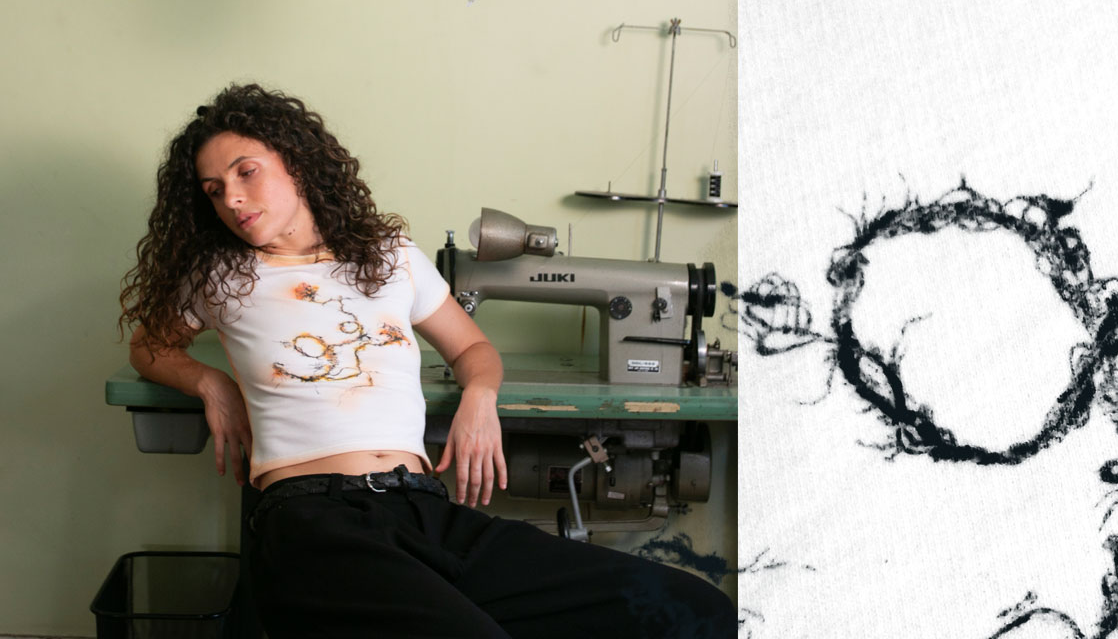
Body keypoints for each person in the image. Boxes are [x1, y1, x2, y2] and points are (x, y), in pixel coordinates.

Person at [119, 83, 735, 638]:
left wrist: (479, 398)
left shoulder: (389, 257)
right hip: (310, 519)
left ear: (297, 162)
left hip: (426, 510)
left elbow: (472, 348)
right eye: (214, 189)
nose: (231, 198)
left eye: (245, 172)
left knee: (692, 610)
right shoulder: (221, 274)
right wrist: (209, 380)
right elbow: (148, 345)